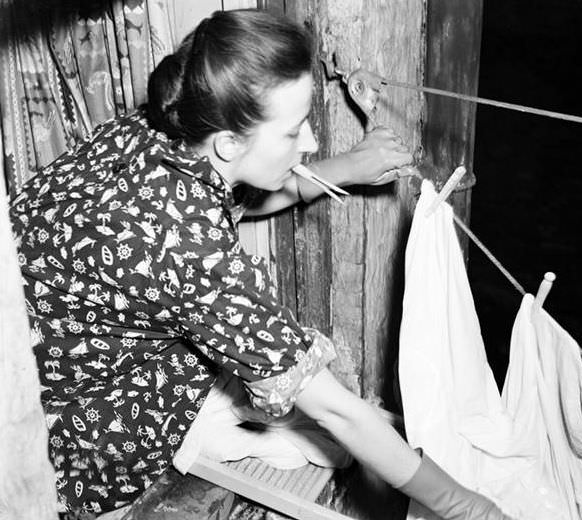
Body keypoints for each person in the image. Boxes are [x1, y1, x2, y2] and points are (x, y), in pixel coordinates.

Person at [9, 9, 511, 520]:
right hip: (55, 409)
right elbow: (335, 408)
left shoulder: (167, 124)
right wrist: (462, 504)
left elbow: (234, 193)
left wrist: (351, 167)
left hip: (38, 321)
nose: (312, 142)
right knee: (247, 367)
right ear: (228, 143)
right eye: (294, 132)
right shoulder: (187, 249)